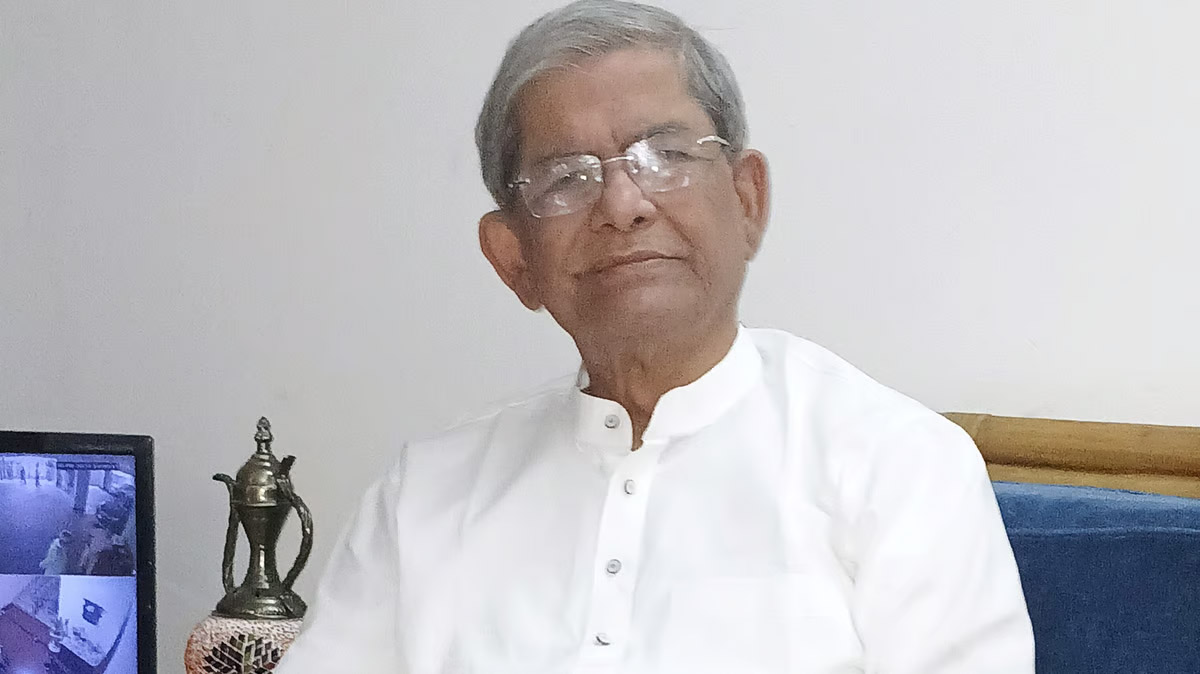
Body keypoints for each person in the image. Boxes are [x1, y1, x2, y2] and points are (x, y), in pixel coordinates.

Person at [277, 2, 1034, 672]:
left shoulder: (898, 467)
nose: (622, 203)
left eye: (665, 157)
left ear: (747, 200)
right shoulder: (426, 495)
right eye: (565, 177)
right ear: (513, 260)